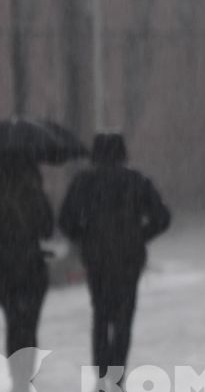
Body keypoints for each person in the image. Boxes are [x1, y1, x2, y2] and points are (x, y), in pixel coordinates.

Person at [58, 132, 171, 377]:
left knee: (100, 313)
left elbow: (65, 220)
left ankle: (101, 372)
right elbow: (162, 217)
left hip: (97, 259)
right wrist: (140, 235)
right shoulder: (137, 181)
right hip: (128, 259)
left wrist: (85, 237)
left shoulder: (84, 183)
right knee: (124, 317)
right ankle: (116, 375)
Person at [0, 159, 55, 359]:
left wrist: (7, 234)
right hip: (33, 265)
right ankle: (27, 371)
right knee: (30, 323)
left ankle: (17, 373)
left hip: (6, 267)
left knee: (13, 322)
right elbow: (48, 231)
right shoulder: (37, 197)